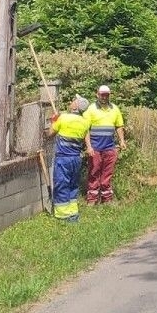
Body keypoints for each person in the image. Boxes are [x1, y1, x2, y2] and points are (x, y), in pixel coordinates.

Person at [48, 95, 93, 223]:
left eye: (74, 101)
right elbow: (86, 136)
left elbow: (50, 134)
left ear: (75, 106)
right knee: (73, 186)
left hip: (63, 159)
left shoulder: (63, 118)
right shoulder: (85, 122)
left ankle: (63, 216)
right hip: (76, 159)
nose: (71, 101)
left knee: (62, 185)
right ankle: (73, 214)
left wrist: (53, 121)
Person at [85, 85, 127, 204]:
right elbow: (85, 129)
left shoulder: (115, 109)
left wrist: (122, 141)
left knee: (107, 173)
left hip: (109, 147)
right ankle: (92, 199)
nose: (104, 97)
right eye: (102, 94)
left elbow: (119, 126)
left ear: (109, 95)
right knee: (94, 172)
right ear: (97, 94)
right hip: (95, 147)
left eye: (106, 95)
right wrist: (89, 146)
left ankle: (107, 199)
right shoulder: (91, 109)